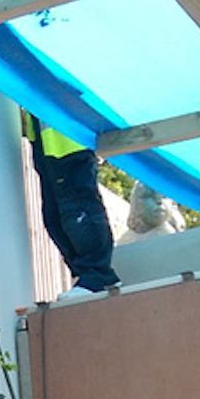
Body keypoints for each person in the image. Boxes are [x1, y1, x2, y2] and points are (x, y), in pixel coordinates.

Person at [22, 112, 120, 298]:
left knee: (78, 211)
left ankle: (99, 275)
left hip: (69, 139)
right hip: (47, 140)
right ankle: (90, 275)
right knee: (54, 217)